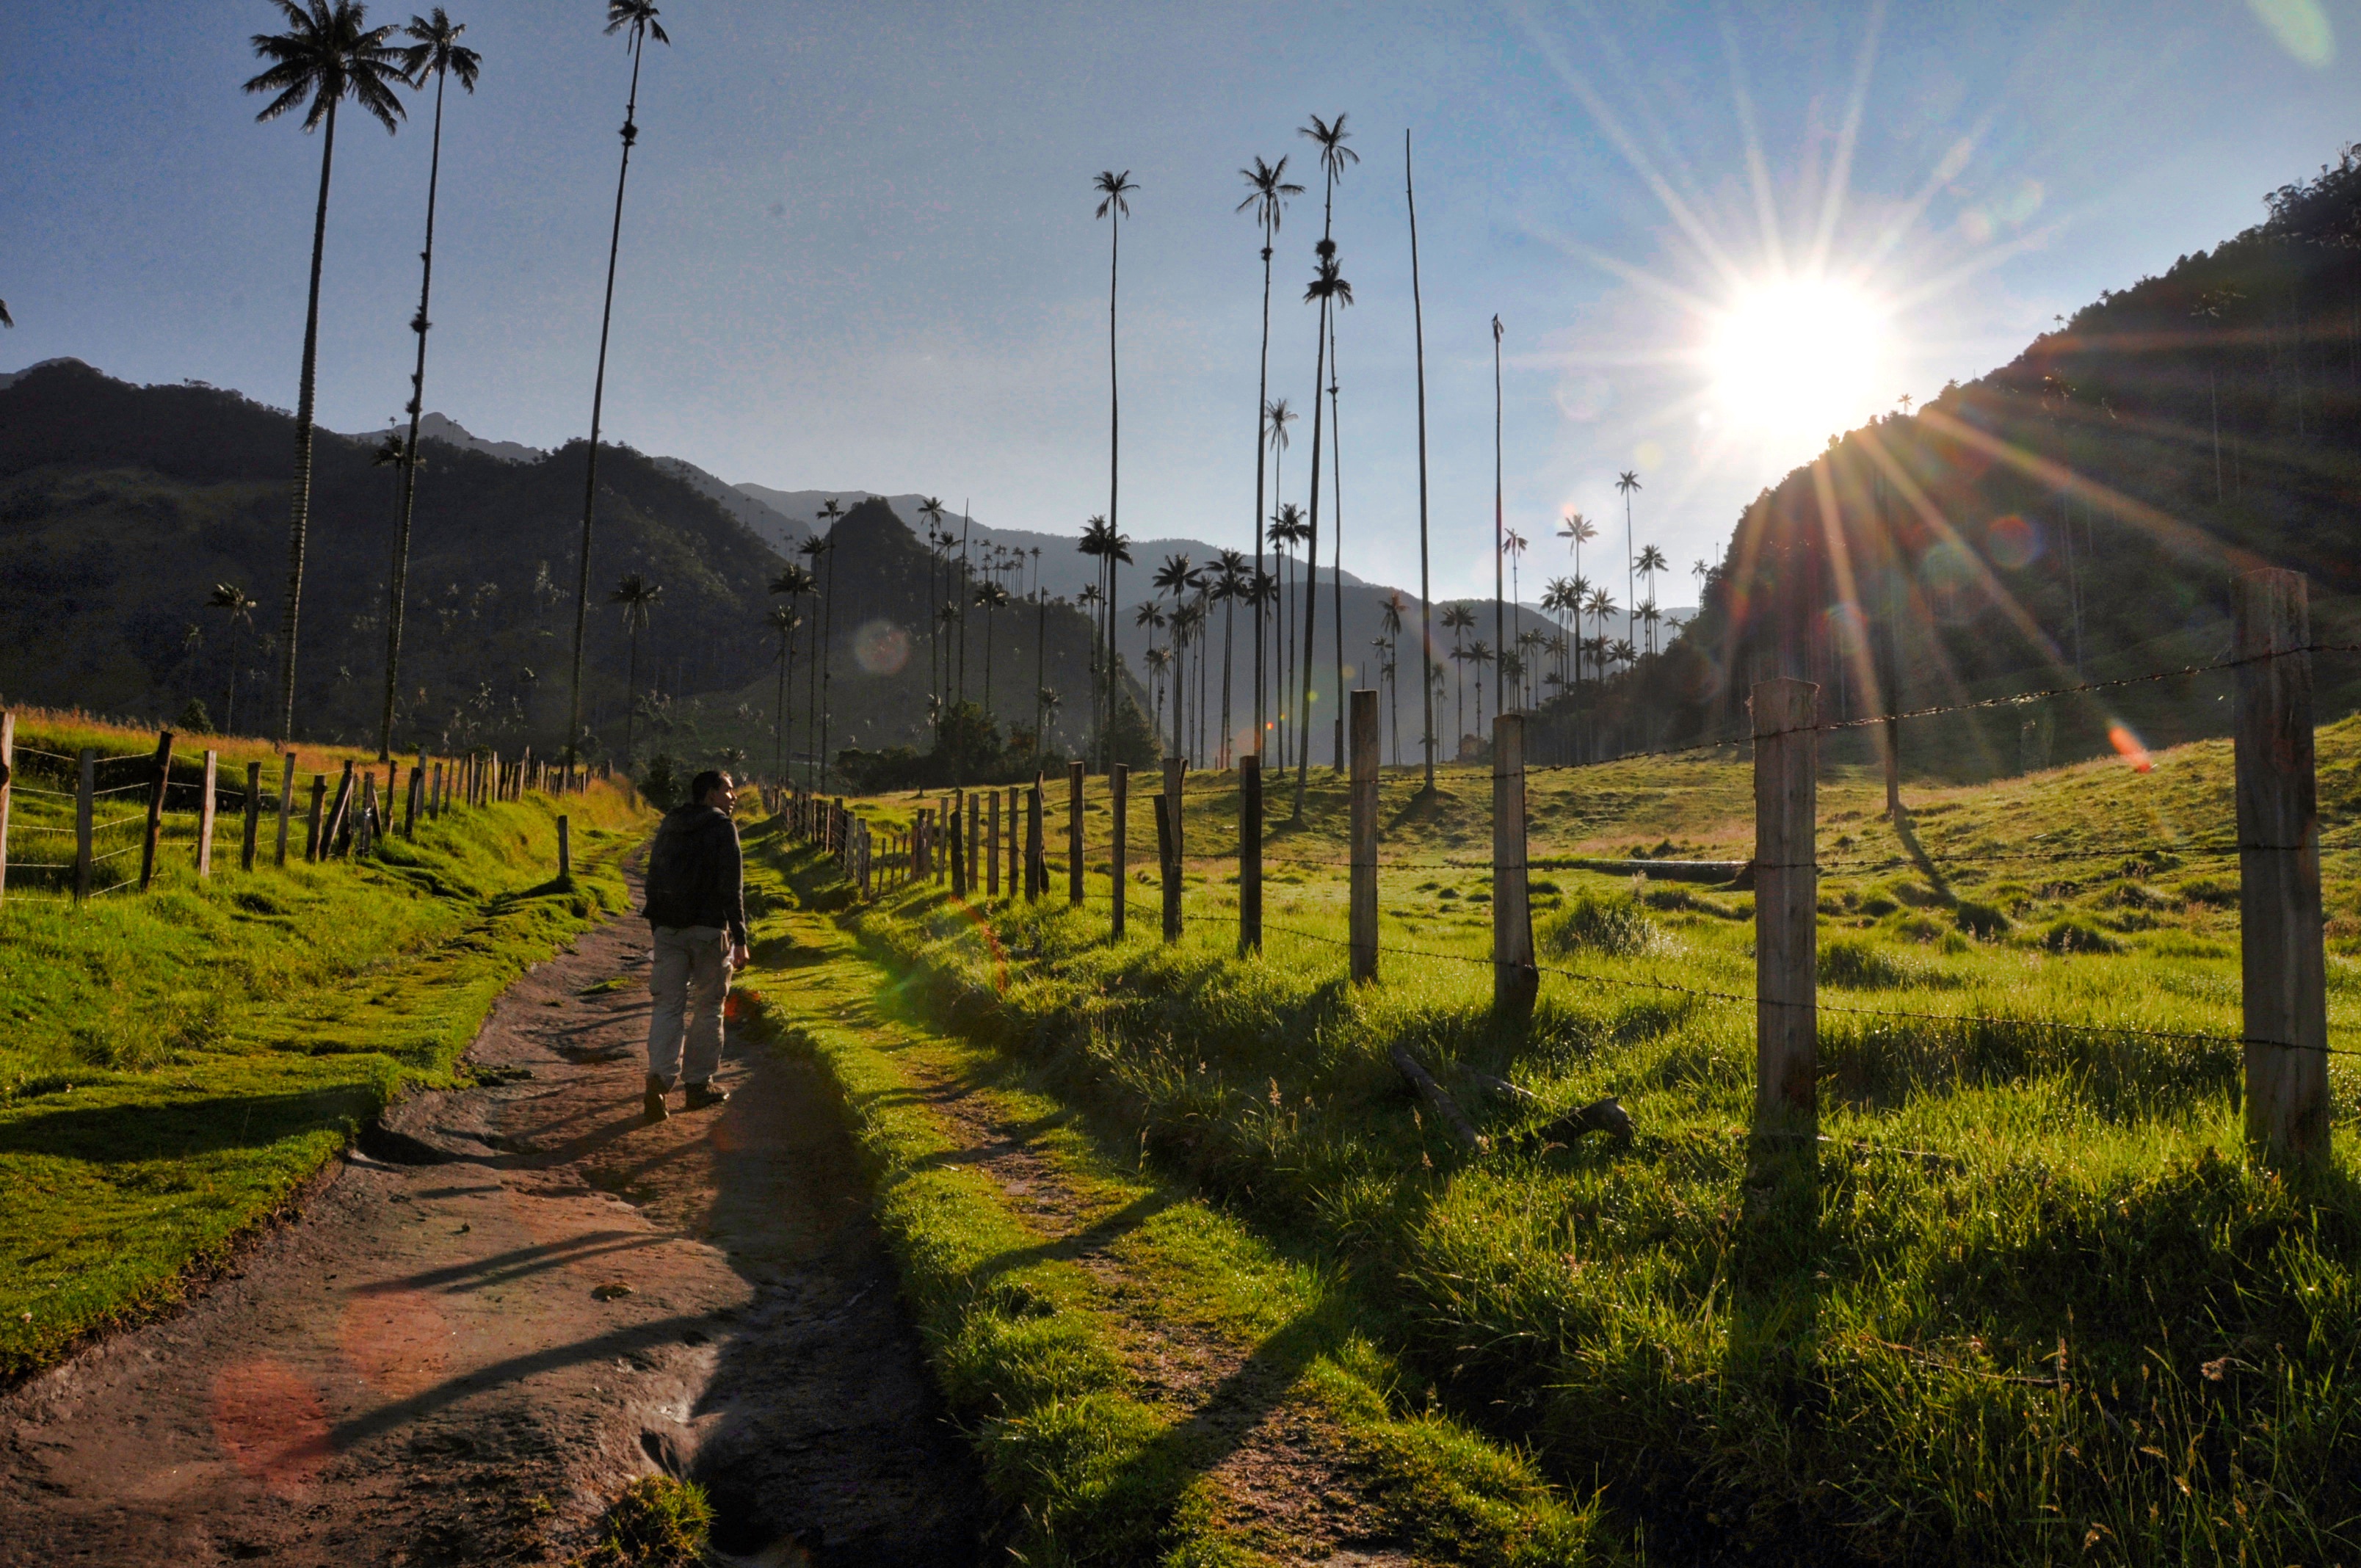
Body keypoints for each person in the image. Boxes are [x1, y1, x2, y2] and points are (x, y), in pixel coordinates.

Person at [639, 769, 749, 1122]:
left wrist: (658, 922)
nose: (734, 797)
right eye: (729, 790)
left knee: (667, 1007)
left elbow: (653, 874)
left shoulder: (671, 824)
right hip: (708, 932)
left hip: (668, 930)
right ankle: (698, 1086)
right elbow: (732, 888)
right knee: (708, 1007)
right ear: (711, 794)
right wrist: (740, 939)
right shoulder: (722, 828)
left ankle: (658, 1080)